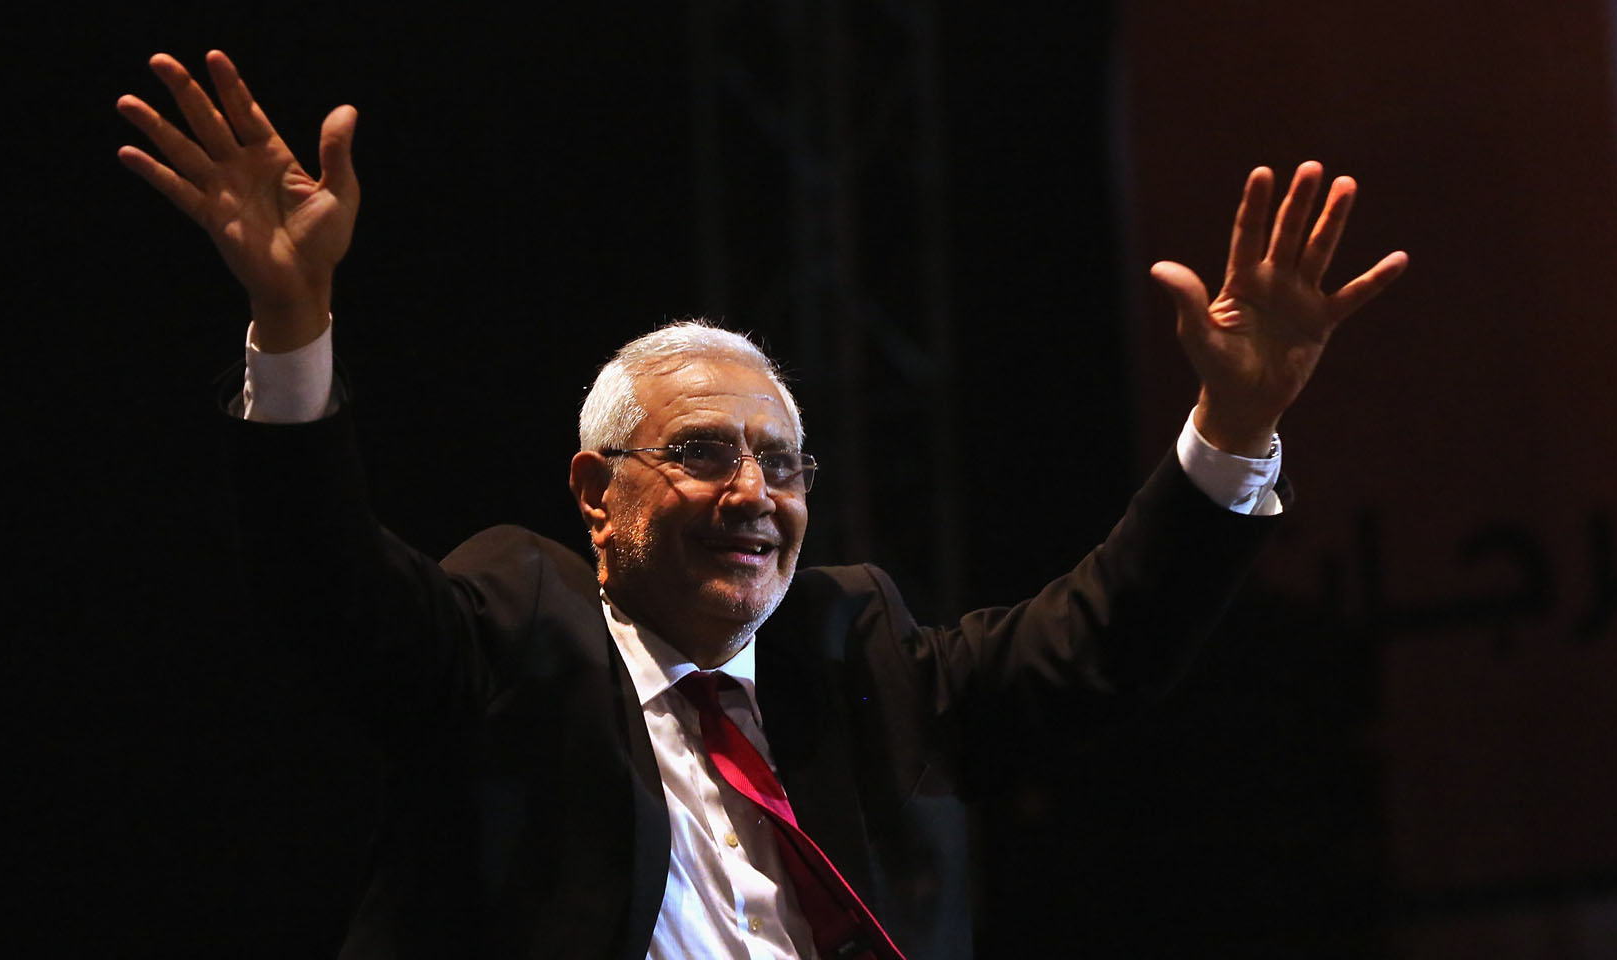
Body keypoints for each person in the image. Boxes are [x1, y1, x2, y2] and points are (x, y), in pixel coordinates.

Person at [117, 50, 1408, 960]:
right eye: (704, 455)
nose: (755, 496)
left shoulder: (860, 657)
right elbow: (322, 586)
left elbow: (1107, 640)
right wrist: (293, 321)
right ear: (598, 496)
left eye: (784, 466)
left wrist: (1237, 424)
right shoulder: (518, 629)